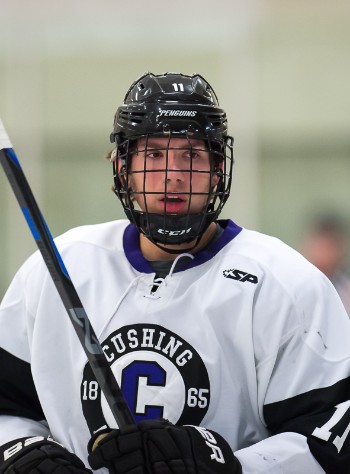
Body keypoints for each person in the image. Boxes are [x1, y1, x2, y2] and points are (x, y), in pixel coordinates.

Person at [0, 72, 349, 474]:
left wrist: (228, 466)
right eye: (152, 155)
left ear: (218, 169)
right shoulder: (58, 267)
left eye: (192, 155)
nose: (174, 174)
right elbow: (6, 407)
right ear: (122, 169)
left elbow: (330, 436)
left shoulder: (283, 283)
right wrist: (20, 452)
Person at [301, 215, 350, 316]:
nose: (321, 255)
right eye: (318, 247)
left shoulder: (345, 293)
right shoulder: (294, 286)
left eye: (327, 248)